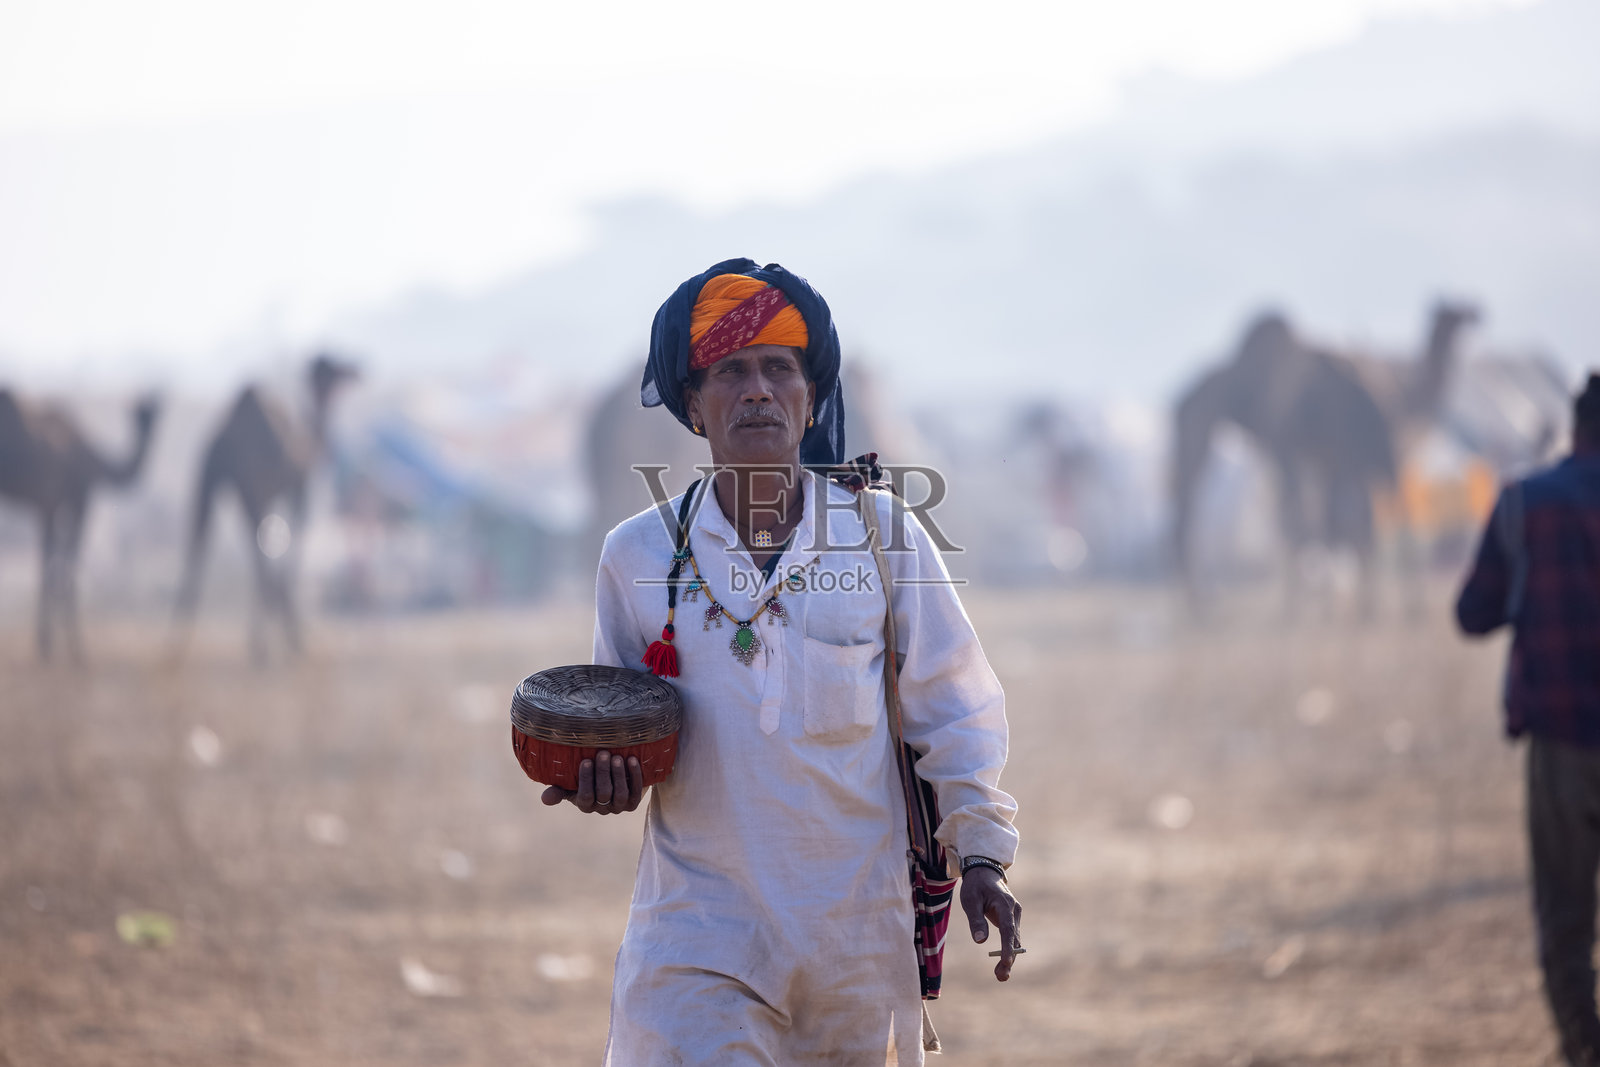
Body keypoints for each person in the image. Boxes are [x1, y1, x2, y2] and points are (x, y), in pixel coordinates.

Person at [542, 259, 1022, 1064]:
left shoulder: (883, 534)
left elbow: (956, 705)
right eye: (731, 370)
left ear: (810, 397)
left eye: (780, 368)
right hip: (698, 942)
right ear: (693, 405)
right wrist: (607, 779)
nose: (758, 389)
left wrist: (981, 852)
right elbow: (622, 734)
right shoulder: (635, 555)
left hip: (857, 949)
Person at [1455, 372, 1600, 1067]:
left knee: (1566, 914)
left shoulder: (1524, 505)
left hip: (1563, 741)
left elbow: (1471, 613)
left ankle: (1582, 1045)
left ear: (1575, 429)